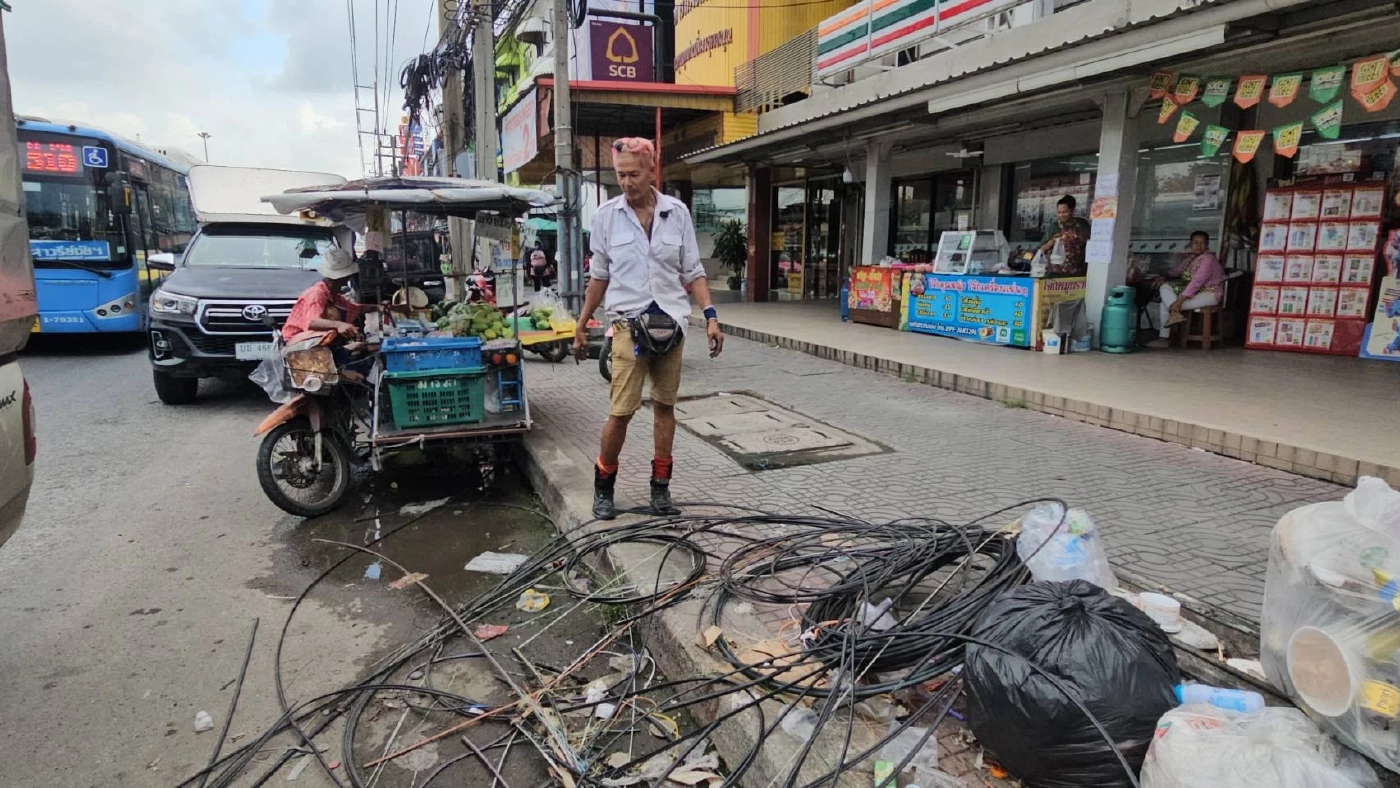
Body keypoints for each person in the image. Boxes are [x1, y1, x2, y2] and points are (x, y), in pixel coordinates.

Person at [572, 137, 724, 520]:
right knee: (621, 411)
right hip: (626, 325)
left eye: (633, 174)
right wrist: (580, 324)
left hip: (670, 322)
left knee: (664, 408)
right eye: (620, 175)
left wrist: (710, 317)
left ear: (652, 171)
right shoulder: (606, 216)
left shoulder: (678, 213)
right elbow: (599, 277)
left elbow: (694, 271)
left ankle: (661, 489)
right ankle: (603, 486)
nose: (626, 182)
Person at [282, 248, 374, 378]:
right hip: (304, 351)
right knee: (359, 373)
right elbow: (312, 322)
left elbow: (355, 308)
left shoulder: (333, 294)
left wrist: (380, 308)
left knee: (365, 359)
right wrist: (339, 325)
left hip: (324, 348)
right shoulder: (317, 293)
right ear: (343, 277)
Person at [1147, 230, 1224, 349]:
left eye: (1202, 243)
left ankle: (1165, 337)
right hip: (1196, 293)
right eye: (1195, 242)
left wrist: (1179, 302)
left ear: (1207, 244)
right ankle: (1173, 318)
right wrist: (1164, 275)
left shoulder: (1208, 259)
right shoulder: (1191, 258)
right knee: (1165, 290)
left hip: (1210, 294)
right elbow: (1178, 271)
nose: (1198, 245)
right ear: (1190, 244)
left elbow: (1196, 283)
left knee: (1165, 301)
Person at [1038, 195, 1091, 276]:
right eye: (1059, 212)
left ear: (1072, 210)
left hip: (1080, 271)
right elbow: (1042, 249)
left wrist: (1075, 237)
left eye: (1065, 212)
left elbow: (1089, 242)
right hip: (1057, 272)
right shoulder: (1054, 226)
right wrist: (1053, 241)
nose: (1062, 215)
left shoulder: (1082, 224)